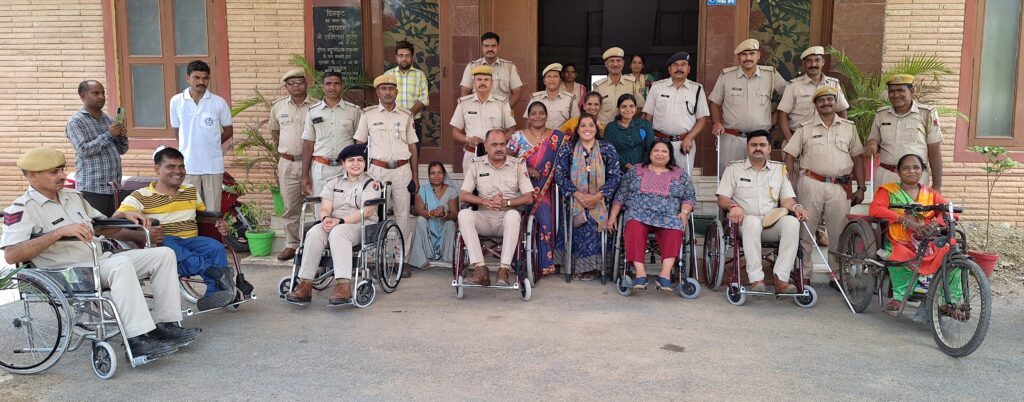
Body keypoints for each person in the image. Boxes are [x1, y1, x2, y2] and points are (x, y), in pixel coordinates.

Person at [2, 147, 199, 357]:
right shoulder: (21, 209)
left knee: (164, 254)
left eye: (61, 169)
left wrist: (125, 216)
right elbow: (12, 255)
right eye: (54, 172)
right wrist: (58, 233)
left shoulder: (72, 196)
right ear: (32, 175)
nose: (62, 175)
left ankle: (166, 324)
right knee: (120, 265)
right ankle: (137, 339)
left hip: (98, 262)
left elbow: (104, 228)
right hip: (66, 272)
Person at [113, 147, 241, 311]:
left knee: (214, 246)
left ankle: (213, 294)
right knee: (167, 241)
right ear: (157, 169)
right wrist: (128, 212)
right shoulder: (140, 196)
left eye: (181, 166)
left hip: (191, 241)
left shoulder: (190, 190)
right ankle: (215, 273)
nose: (178, 171)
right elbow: (114, 219)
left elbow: (202, 215)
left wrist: (219, 223)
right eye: (171, 167)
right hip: (162, 245)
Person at [783, 87, 866, 283]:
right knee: (806, 232)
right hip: (811, 183)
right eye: (821, 100)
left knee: (838, 233)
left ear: (836, 103)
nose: (826, 103)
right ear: (815, 104)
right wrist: (790, 184)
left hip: (840, 186)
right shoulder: (805, 128)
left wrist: (861, 187)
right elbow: (789, 156)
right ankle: (804, 275)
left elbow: (858, 158)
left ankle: (837, 276)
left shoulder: (849, 127)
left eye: (830, 99)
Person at [285, 144, 381, 305]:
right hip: (335, 223)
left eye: (360, 160)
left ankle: (343, 285)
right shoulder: (333, 182)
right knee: (315, 232)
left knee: (339, 233)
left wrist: (340, 221)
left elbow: (367, 212)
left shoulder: (372, 184)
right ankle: (305, 284)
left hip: (361, 225)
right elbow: (325, 207)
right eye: (351, 160)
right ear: (343, 163)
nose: (356, 164)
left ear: (365, 163)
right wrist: (325, 219)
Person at [716, 131, 808, 294]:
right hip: (744, 224)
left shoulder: (779, 170)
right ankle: (756, 279)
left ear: (769, 149)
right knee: (751, 221)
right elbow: (722, 198)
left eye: (762, 145)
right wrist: (732, 206)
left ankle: (782, 280)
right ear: (747, 148)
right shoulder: (734, 169)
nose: (758, 148)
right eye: (754, 145)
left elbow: (787, 200)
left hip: (771, 223)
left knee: (792, 223)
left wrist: (796, 207)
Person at [869, 153, 954, 315]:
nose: (911, 171)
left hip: (928, 239)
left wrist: (934, 224)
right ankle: (899, 297)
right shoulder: (888, 191)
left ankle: (950, 302)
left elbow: (949, 212)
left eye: (916, 167)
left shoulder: (931, 193)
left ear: (922, 170)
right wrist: (907, 222)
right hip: (899, 239)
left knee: (950, 256)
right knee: (902, 255)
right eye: (906, 168)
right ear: (898, 171)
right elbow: (876, 209)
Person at [353, 74, 418, 277]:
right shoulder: (368, 115)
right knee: (375, 215)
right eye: (383, 89)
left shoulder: (406, 116)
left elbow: (412, 147)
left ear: (397, 92)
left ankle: (401, 260)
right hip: (377, 171)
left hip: (402, 170)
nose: (388, 92)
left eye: (391, 88)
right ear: (378, 92)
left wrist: (415, 176)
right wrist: (360, 174)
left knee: (402, 216)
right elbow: (359, 145)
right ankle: (378, 259)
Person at [609, 140, 696, 289]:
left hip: (668, 215)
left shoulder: (680, 174)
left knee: (675, 228)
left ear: (670, 155)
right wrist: (612, 217)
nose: (660, 154)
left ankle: (665, 274)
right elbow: (620, 195)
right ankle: (640, 274)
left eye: (664, 151)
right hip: (638, 214)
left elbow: (689, 197)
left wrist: (684, 212)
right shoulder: (635, 170)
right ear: (649, 153)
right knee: (633, 227)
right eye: (656, 151)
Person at [458, 129, 535, 286]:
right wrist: (485, 201)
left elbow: (528, 197)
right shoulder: (476, 165)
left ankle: (503, 270)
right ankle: (480, 270)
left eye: (502, 144)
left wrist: (506, 202)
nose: (499, 148)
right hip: (484, 218)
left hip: (506, 220)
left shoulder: (518, 164)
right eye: (494, 145)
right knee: (464, 214)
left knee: (513, 215)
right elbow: (464, 195)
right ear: (486, 146)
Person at [507, 101, 571, 276]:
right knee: (519, 218)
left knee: (544, 212)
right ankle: (521, 259)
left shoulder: (558, 137)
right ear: (528, 116)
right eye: (533, 113)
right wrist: (526, 169)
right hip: (522, 188)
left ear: (546, 115)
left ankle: (545, 262)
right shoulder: (518, 136)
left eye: (541, 113)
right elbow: (507, 161)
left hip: (547, 188)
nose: (537, 116)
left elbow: (568, 161)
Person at [555, 113, 621, 280]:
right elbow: (560, 175)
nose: (587, 129)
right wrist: (578, 195)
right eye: (583, 125)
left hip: (600, 201)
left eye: (591, 125)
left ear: (596, 128)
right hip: (574, 200)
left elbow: (615, 176)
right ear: (577, 129)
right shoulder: (567, 148)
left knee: (593, 221)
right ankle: (577, 266)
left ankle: (595, 267)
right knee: (578, 220)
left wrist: (596, 197)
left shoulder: (607, 148)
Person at [709, 39, 787, 177]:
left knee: (760, 178)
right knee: (729, 178)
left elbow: (789, 96)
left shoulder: (771, 75)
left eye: (752, 53)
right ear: (739, 57)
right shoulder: (727, 76)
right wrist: (716, 123)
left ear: (758, 55)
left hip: (760, 140)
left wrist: (777, 115)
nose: (748, 58)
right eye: (744, 55)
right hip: (732, 138)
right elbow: (714, 103)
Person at [169, 59, 233, 210]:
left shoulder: (218, 102)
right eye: (196, 77)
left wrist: (213, 143)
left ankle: (211, 235)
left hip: (213, 166)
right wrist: (186, 148)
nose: (201, 81)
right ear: (187, 78)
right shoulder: (176, 101)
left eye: (205, 78)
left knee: (213, 211)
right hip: (188, 166)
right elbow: (177, 130)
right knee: (189, 212)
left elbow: (229, 130)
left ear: (209, 79)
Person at [269, 69, 317, 261]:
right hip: (287, 163)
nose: (296, 86)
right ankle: (292, 244)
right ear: (286, 86)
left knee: (317, 204)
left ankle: (316, 243)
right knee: (290, 207)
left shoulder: (316, 106)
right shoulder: (278, 107)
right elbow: (275, 132)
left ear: (306, 84)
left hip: (313, 163)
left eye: (300, 82)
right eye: (291, 83)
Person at [866, 74, 943, 190]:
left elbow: (934, 151)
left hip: (915, 176)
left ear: (912, 91)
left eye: (900, 90)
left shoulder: (926, 113)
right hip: (886, 175)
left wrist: (937, 185)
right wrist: (872, 143)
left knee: (914, 208)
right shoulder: (881, 114)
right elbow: (874, 138)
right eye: (891, 91)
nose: (896, 95)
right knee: (883, 208)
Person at [65, 80, 128, 217]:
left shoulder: (109, 120)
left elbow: (122, 150)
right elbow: (84, 150)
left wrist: (122, 135)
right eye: (96, 93)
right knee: (96, 229)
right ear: (83, 96)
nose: (101, 97)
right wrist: (109, 134)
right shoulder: (76, 122)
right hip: (92, 188)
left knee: (114, 230)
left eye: (103, 93)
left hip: (113, 188)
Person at [643, 51, 710, 175]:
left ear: (688, 69)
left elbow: (702, 120)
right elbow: (648, 117)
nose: (679, 68)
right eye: (675, 65)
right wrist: (651, 141)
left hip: (684, 143)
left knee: (683, 180)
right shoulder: (657, 87)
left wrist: (689, 138)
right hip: (660, 143)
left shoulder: (697, 89)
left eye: (683, 64)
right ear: (669, 69)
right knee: (658, 178)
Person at [301, 71, 362, 196]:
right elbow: (308, 143)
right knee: (321, 209)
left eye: (336, 84)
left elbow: (360, 142)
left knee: (347, 209)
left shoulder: (354, 111)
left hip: (346, 168)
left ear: (342, 87)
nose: (332, 87)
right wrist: (305, 175)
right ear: (322, 87)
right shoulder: (313, 112)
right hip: (321, 168)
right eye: (328, 84)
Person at [777, 46, 850, 143]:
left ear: (823, 62)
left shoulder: (833, 84)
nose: (813, 64)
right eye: (809, 61)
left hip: (827, 138)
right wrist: (790, 139)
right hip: (798, 137)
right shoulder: (794, 86)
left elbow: (842, 110)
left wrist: (840, 134)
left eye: (817, 60)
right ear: (804, 64)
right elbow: (782, 115)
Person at [450, 65, 516, 171]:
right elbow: (455, 133)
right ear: (473, 83)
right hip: (472, 154)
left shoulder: (502, 103)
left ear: (492, 83)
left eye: (486, 79)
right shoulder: (464, 103)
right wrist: (469, 139)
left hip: (496, 156)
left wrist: (496, 141)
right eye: (479, 79)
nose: (482, 83)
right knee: (470, 187)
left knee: (495, 187)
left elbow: (512, 131)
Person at [409, 162, 458, 269]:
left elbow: (455, 214)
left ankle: (448, 257)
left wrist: (444, 214)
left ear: (444, 175)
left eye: (439, 173)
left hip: (444, 228)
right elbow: (420, 210)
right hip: (429, 228)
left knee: (450, 223)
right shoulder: (423, 189)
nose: (436, 176)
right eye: (433, 173)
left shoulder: (451, 190)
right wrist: (432, 213)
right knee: (420, 219)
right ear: (428, 175)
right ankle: (423, 257)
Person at [386, 40, 430, 155]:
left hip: (414, 122)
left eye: (407, 56)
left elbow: (424, 99)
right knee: (394, 154)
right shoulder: (388, 75)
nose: (404, 59)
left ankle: (413, 174)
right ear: (396, 57)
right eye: (401, 56)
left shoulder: (419, 75)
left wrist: (408, 115)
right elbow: (384, 99)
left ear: (412, 57)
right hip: (392, 121)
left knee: (414, 154)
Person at [460, 32, 524, 107]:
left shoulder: (509, 67)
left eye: (493, 46)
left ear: (499, 47)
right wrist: (471, 108)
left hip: (502, 113)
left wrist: (506, 110)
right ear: (482, 48)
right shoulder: (472, 66)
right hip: (478, 113)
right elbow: (465, 91)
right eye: (486, 46)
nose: (490, 49)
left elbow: (517, 92)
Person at [593, 47, 646, 125]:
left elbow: (640, 107)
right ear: (606, 64)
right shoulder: (599, 86)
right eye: (611, 61)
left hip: (626, 130)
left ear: (623, 63)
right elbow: (593, 110)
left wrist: (627, 119)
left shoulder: (632, 84)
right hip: (605, 130)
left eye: (618, 60)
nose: (615, 64)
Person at [603, 94, 654, 172]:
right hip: (619, 169)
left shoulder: (644, 124)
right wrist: (627, 165)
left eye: (631, 106)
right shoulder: (611, 128)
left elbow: (650, 147)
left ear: (636, 108)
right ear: (618, 109)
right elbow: (611, 152)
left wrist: (641, 166)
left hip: (644, 168)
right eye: (624, 106)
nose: (628, 109)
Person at [525, 63, 579, 130]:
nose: (552, 79)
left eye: (555, 76)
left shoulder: (570, 100)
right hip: (540, 139)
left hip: (562, 139)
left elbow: (576, 123)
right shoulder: (535, 99)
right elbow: (528, 122)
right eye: (548, 76)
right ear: (544, 81)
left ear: (560, 80)